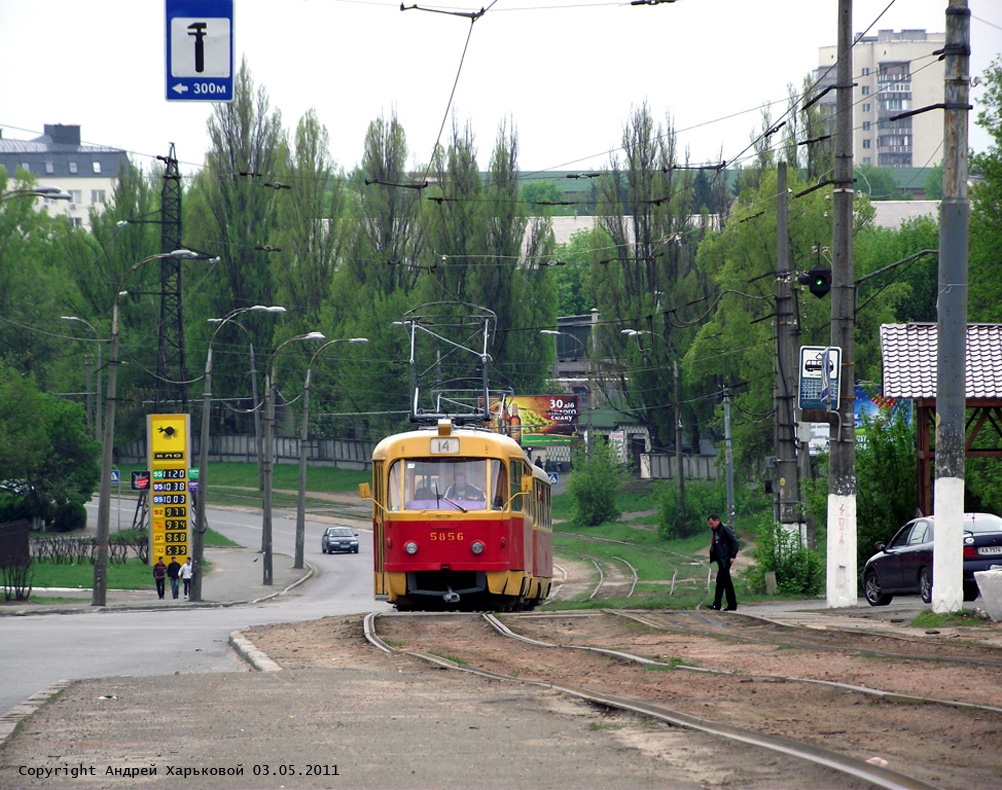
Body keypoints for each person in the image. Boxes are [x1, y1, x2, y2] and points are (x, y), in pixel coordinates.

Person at [707, 513, 739, 611]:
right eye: (710, 524)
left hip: (726, 559)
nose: (711, 526)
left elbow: (735, 542)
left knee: (720, 582)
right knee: (726, 583)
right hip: (721, 560)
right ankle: (731, 605)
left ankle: (717, 604)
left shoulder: (725, 529)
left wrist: (732, 556)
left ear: (717, 520)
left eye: (712, 523)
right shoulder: (716, 531)